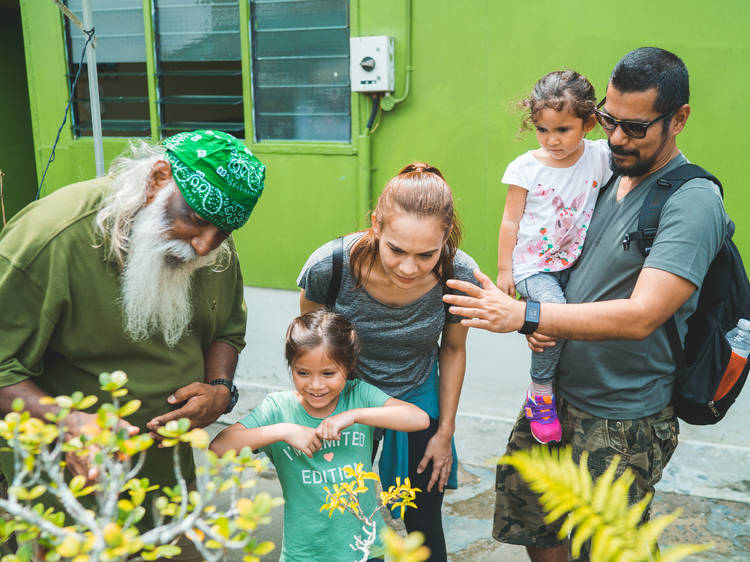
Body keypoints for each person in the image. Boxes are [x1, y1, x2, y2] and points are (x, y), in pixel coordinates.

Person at [444, 48, 727, 561]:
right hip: (555, 400)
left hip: (623, 416)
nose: (616, 137)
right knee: (537, 525)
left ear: (679, 119)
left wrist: (530, 315)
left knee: (610, 548)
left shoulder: (692, 200)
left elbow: (644, 314)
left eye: (635, 127)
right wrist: (531, 301)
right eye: (609, 120)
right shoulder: (604, 174)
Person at [0, 130, 265, 547]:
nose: (204, 246)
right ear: (159, 179)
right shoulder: (51, 237)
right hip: (73, 483)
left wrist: (219, 388)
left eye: (224, 232)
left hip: (170, 482)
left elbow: (228, 327)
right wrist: (68, 423)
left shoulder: (209, 245)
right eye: (195, 219)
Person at [296, 162, 479, 561]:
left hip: (419, 394)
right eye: (396, 249)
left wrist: (444, 432)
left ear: (445, 237)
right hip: (347, 398)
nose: (409, 268)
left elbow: (452, 349)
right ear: (376, 225)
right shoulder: (330, 268)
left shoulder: (459, 274)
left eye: (426, 254)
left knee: (424, 520)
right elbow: (308, 347)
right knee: (345, 515)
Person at [210, 310, 429, 562]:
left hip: (366, 546)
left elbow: (418, 419)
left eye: (328, 374)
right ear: (290, 365)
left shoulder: (359, 395)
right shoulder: (278, 409)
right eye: (303, 373)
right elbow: (220, 446)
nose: (315, 385)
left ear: (349, 366)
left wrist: (354, 416)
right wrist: (285, 430)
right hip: (305, 552)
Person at [496, 70, 612, 444]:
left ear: (589, 123)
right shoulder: (525, 167)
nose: (552, 140)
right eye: (543, 130)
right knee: (555, 316)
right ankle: (540, 391)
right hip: (534, 267)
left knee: (558, 323)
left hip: (576, 265)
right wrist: (504, 271)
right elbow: (510, 221)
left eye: (563, 130)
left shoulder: (600, 156)